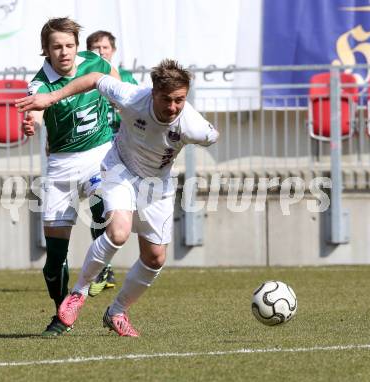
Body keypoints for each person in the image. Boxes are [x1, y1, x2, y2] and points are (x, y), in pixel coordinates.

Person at [16, 59, 219, 337]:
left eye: (179, 100)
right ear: (153, 92)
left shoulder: (194, 126)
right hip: (119, 169)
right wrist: (51, 97)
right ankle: (78, 293)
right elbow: (94, 78)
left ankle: (117, 311)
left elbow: (211, 134)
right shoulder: (133, 97)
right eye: (166, 99)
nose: (172, 107)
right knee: (119, 232)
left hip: (157, 186)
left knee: (156, 258)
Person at [22, 17, 119, 337]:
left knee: (103, 207)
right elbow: (36, 109)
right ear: (45, 51)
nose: (64, 52)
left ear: (77, 46)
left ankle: (103, 266)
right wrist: (31, 123)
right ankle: (61, 311)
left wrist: (122, 107)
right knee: (55, 257)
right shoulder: (40, 83)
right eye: (56, 47)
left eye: (69, 46)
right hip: (62, 166)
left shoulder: (95, 62)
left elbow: (115, 81)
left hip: (99, 156)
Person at [85, 30, 138, 297]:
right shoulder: (85, 81)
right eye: (95, 48)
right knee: (97, 204)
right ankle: (103, 267)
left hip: (128, 155)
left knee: (127, 215)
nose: (100, 52)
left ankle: (140, 264)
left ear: (113, 51)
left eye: (104, 47)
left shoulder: (126, 79)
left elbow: (140, 114)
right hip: (99, 154)